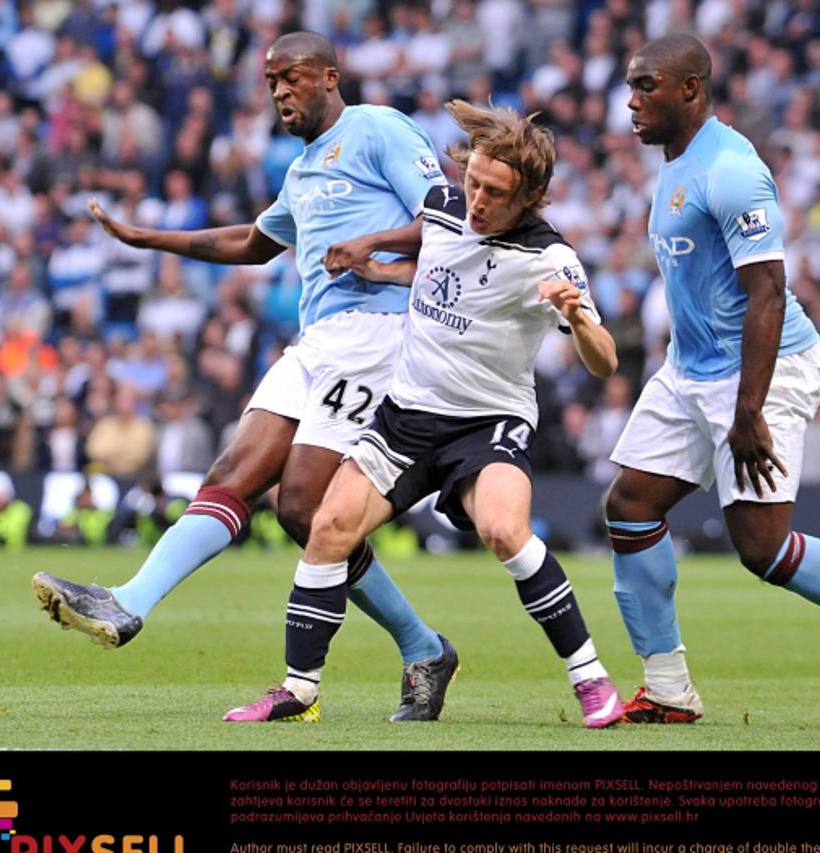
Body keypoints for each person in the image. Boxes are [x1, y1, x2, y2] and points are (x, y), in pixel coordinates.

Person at [32, 31, 456, 721]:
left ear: (328, 75)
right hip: (316, 341)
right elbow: (254, 243)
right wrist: (148, 238)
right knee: (233, 475)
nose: (280, 92)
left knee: (301, 506)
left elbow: (446, 212)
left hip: (379, 333)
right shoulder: (301, 171)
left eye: (291, 78)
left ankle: (420, 645)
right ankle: (128, 602)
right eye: (270, 83)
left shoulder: (376, 129)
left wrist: (373, 243)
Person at [223, 101, 625, 728]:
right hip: (408, 417)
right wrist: (375, 254)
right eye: (473, 184)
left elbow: (605, 361)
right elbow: (438, 263)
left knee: (502, 529)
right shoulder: (443, 208)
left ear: (532, 197)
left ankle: (592, 681)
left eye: (495, 193)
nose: (478, 202)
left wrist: (576, 317)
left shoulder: (550, 260)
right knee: (327, 527)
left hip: (487, 424)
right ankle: (297, 692)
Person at [603, 34, 820, 727]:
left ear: (691, 88)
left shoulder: (733, 169)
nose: (631, 99)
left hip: (747, 375)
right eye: (630, 84)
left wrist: (753, 407)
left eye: (646, 85)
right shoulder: (677, 161)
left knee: (762, 549)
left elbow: (767, 291)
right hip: (692, 366)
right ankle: (669, 688)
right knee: (629, 505)